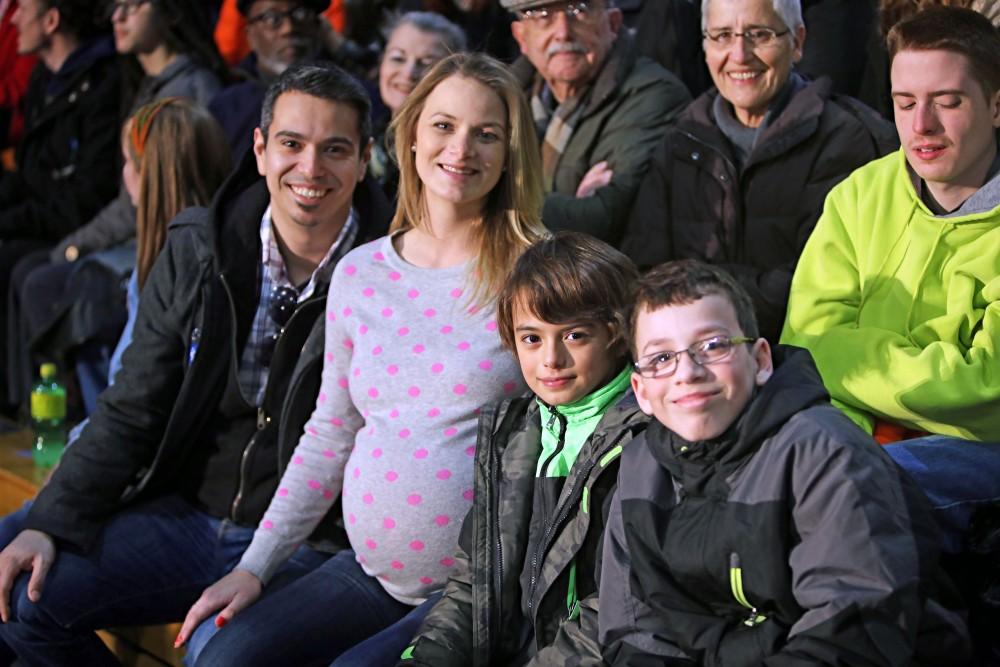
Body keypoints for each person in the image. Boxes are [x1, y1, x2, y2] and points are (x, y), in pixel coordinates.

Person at [0, 63, 391, 665]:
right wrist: (51, 521)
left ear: (364, 159)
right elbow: (133, 404)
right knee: (24, 593)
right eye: (291, 144)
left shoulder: (391, 269)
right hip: (186, 515)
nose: (311, 169)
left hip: (306, 540)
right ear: (260, 150)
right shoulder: (199, 245)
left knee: (216, 656)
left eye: (334, 149)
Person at [177, 51, 546, 666]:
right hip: (372, 574)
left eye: (488, 134)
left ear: (511, 151)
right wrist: (255, 567)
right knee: (221, 658)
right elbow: (330, 433)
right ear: (412, 134)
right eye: (444, 126)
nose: (462, 148)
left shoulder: (536, 271)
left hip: (477, 587)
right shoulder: (362, 272)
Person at [598, 259, 970, 665]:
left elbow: (854, 627)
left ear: (760, 361)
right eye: (661, 359)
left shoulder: (825, 452)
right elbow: (636, 631)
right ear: (642, 391)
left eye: (713, 345)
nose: (687, 371)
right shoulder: (639, 470)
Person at [782, 6, 1000, 548]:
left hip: (977, 453)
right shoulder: (860, 195)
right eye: (905, 103)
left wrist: (854, 351)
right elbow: (805, 350)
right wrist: (859, 435)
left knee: (851, 494)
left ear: (997, 106)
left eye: (947, 102)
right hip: (852, 434)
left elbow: (987, 389)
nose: (921, 125)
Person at [398, 232, 648, 665]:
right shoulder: (513, 433)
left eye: (574, 336)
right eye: (531, 338)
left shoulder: (644, 441)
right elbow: (472, 582)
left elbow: (616, 615)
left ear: (618, 334)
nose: (550, 359)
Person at [619, 0, 897, 343]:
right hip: (693, 361)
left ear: (797, 42)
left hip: (804, 363)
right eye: (721, 36)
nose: (739, 54)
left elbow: (816, 289)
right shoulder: (681, 139)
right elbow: (643, 274)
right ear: (704, 46)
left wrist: (696, 291)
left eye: (760, 34)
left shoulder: (845, 140)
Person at [4, 0, 231, 415]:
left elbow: (144, 202)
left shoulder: (188, 92)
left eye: (132, 7)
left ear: (169, 14)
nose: (116, 17)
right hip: (140, 239)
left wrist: (76, 244)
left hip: (156, 242)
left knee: (66, 287)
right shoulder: (138, 82)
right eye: (114, 7)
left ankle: (83, 416)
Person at [0, 0, 120, 415]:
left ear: (51, 20)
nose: (12, 19)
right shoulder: (43, 81)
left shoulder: (102, 83)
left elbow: (83, 196)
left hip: (76, 227)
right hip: (44, 218)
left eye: (22, 10)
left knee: (21, 268)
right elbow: (31, 177)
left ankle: (30, 408)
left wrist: (10, 220)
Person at [501, 0, 691, 242]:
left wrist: (492, 198)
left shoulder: (654, 95)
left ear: (613, 24)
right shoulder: (502, 100)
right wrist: (566, 205)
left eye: (579, 10)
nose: (563, 31)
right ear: (521, 37)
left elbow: (600, 218)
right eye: (543, 15)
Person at [210, 0, 336, 162]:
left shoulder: (354, 98)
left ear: (318, 25)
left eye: (301, 14)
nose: (288, 28)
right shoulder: (226, 110)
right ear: (250, 35)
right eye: (272, 19)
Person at [369, 11, 466, 199]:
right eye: (398, 58)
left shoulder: (451, 154)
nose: (408, 73)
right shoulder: (368, 133)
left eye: (426, 63)